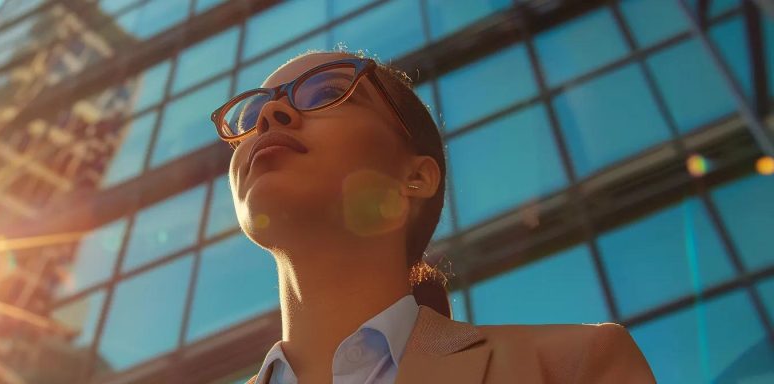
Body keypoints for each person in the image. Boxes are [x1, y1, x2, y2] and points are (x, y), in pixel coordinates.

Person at [210, 49, 656, 384]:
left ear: (415, 178)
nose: (270, 114)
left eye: (326, 92)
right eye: (250, 117)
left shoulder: (570, 368)